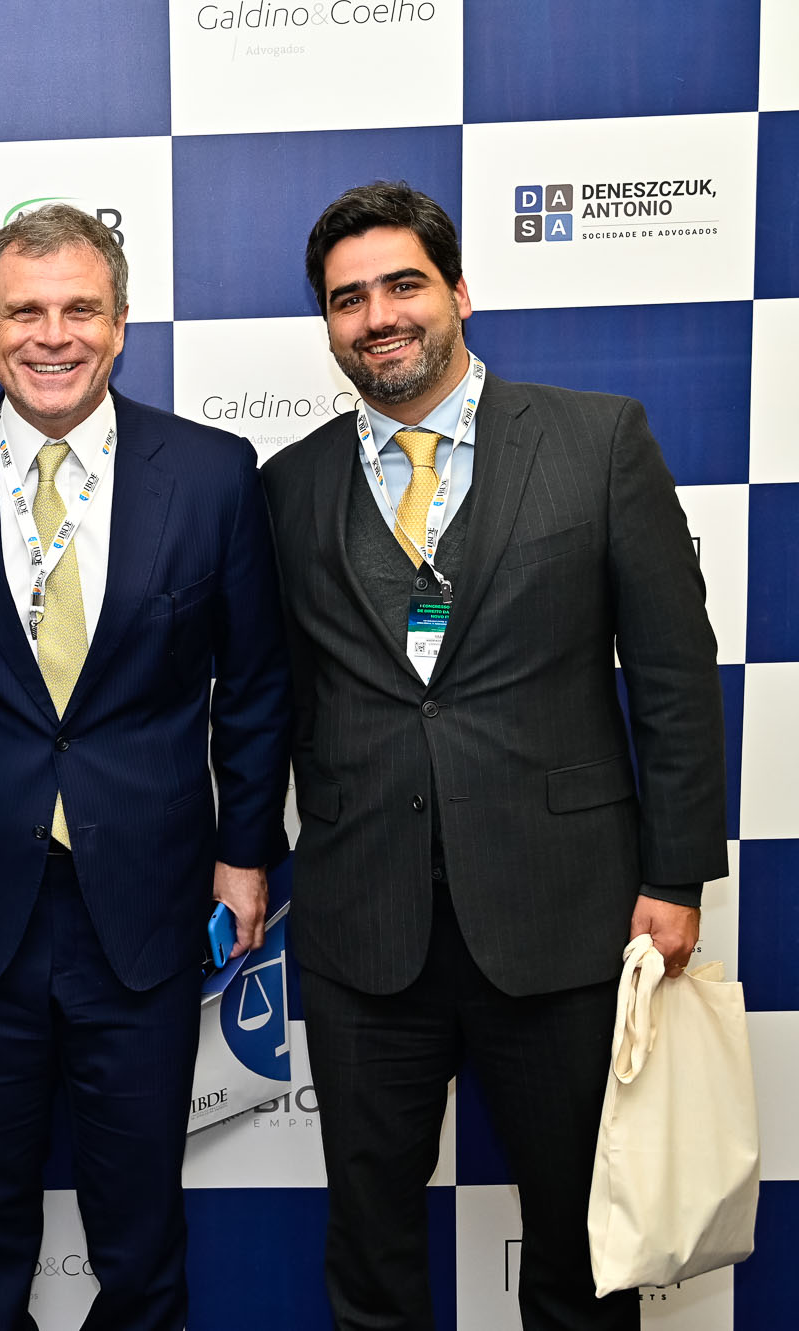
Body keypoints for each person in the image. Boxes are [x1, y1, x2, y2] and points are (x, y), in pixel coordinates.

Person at [262, 181, 728, 1331]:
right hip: (363, 925)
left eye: (402, 284)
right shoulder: (285, 487)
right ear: (326, 324)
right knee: (369, 1249)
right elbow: (276, 699)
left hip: (564, 916)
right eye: (347, 298)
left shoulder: (595, 439)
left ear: (458, 292)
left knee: (578, 1250)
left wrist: (673, 875)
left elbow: (671, 673)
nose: (377, 315)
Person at [0, 203, 292, 1330]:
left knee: (141, 1229)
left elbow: (255, 685)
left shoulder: (209, 471)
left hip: (147, 900)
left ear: (119, 325)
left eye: (78, 310)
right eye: (24, 312)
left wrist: (244, 854)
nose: (50, 336)